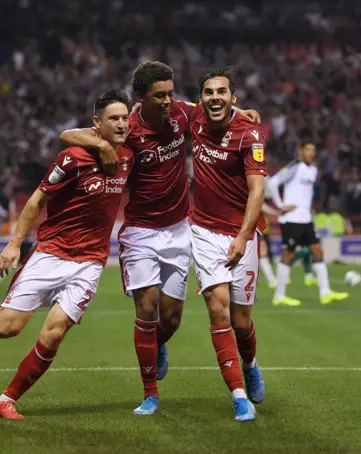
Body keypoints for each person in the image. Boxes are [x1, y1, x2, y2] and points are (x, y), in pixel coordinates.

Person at [59, 61, 260, 415]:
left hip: (179, 229)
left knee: (172, 318)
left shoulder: (182, 116)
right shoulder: (128, 130)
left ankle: (160, 344)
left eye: (171, 93)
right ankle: (150, 393)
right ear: (141, 98)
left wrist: (243, 110)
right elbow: (67, 136)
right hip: (140, 231)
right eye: (160, 96)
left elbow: (212, 109)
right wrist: (104, 147)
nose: (169, 101)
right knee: (148, 307)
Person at [0, 89, 134, 420]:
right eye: (113, 119)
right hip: (50, 253)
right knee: (8, 328)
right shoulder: (73, 158)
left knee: (55, 333)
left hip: (90, 262)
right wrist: (14, 243)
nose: (121, 124)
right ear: (96, 123)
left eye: (125, 118)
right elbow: (36, 200)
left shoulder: (130, 157)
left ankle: (7, 399)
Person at [188, 67, 267, 422]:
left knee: (241, 320)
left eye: (222, 92)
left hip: (242, 234)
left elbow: (257, 192)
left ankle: (249, 363)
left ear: (234, 98)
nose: (215, 97)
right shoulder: (193, 118)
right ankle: (238, 396)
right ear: (200, 98)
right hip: (203, 231)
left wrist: (242, 236)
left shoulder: (250, 135)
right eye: (208, 92)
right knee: (217, 308)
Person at [267, 143, 349, 306]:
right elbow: (273, 182)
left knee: (318, 252)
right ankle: (279, 296)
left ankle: (325, 293)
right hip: (291, 219)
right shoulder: (294, 166)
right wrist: (281, 204)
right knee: (288, 256)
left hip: (306, 219)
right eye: (308, 150)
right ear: (300, 151)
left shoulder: (313, 170)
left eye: (313, 150)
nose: (311, 153)